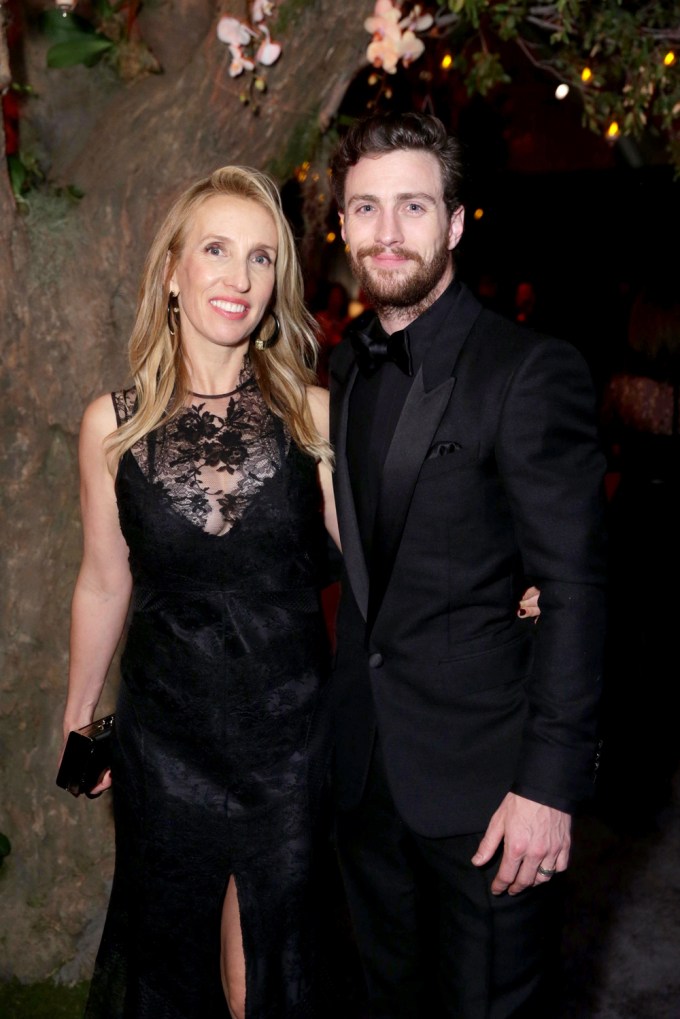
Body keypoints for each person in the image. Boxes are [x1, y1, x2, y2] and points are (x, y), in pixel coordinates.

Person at [326, 112, 608, 1018]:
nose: (387, 231)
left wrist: (548, 787)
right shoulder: (346, 369)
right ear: (342, 225)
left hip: (493, 796)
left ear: (453, 223)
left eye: (412, 205)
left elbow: (573, 587)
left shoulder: (530, 370)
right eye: (365, 208)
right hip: (367, 778)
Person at [60, 165, 340, 1019]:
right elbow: (105, 580)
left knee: (267, 965)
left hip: (291, 738)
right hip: (165, 736)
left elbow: (384, 566)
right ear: (173, 272)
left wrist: (499, 587)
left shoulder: (318, 417)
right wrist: (80, 717)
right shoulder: (110, 425)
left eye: (261, 259)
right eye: (216, 250)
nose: (238, 278)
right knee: (169, 962)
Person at [597, 282, 680, 831]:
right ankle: (648, 780)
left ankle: (622, 781)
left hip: (633, 515)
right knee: (661, 653)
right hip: (667, 518)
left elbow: (598, 449)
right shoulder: (652, 391)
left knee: (625, 649)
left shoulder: (625, 388)